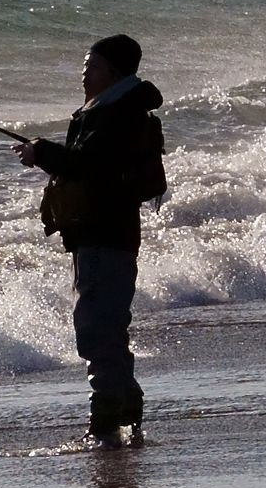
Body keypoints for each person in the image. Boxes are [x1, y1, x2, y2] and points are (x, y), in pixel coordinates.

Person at [16, 34, 167, 444]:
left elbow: (88, 166)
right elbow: (93, 166)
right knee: (109, 329)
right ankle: (126, 417)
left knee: (96, 330)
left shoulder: (115, 114)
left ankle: (105, 428)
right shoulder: (118, 109)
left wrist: (41, 152)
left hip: (104, 237)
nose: (84, 75)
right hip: (108, 236)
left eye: (92, 67)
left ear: (114, 72)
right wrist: (45, 154)